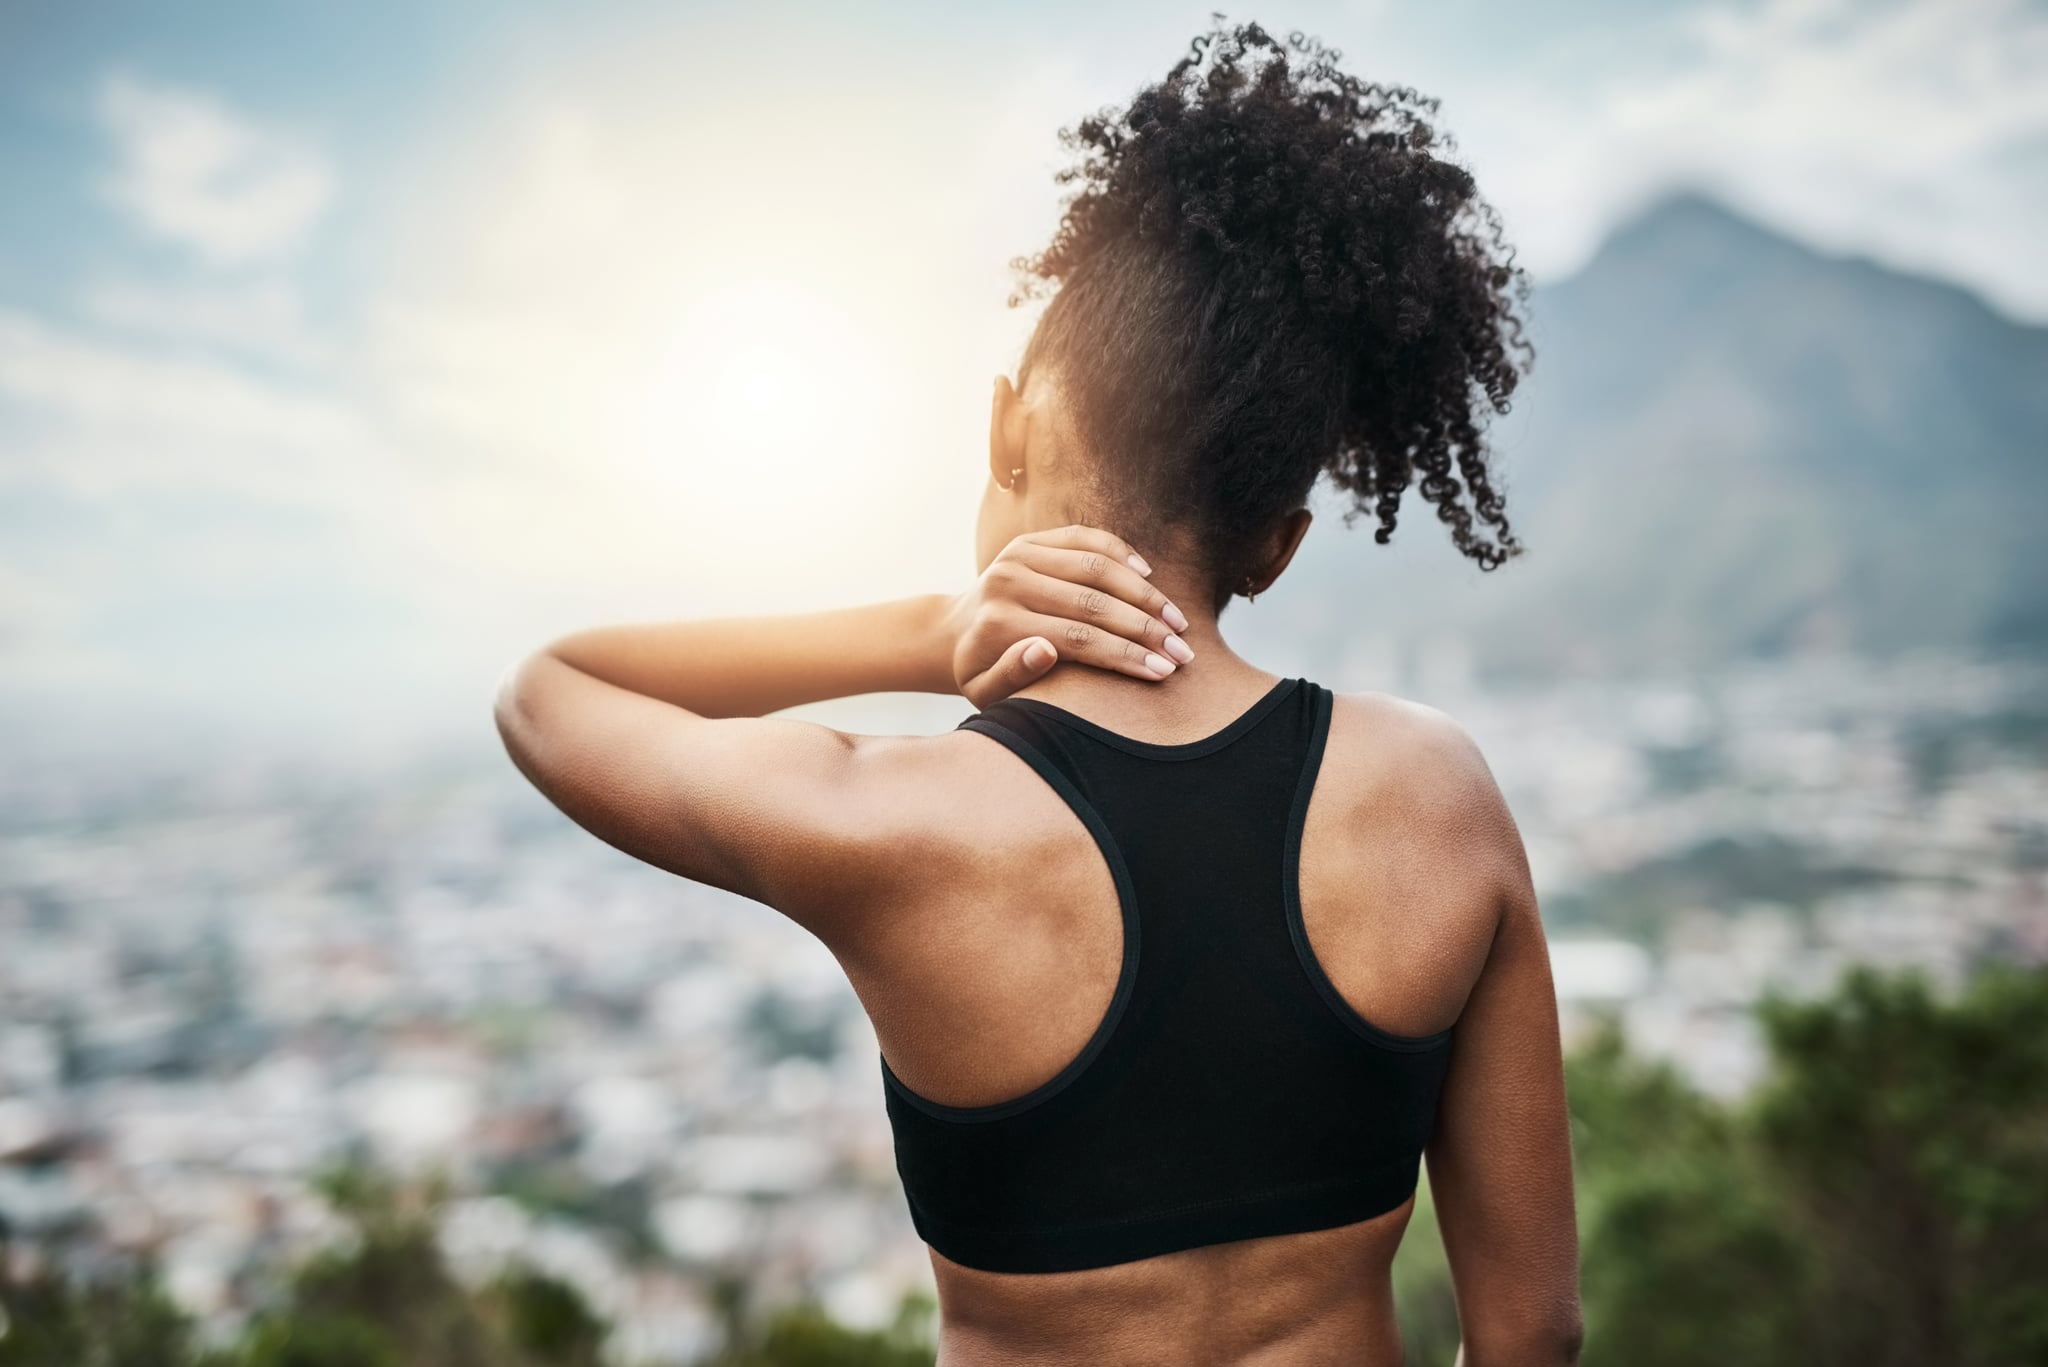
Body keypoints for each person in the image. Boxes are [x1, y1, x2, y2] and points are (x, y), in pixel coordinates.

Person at [496, 19, 1581, 1367]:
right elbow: (1532, 1334)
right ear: (1277, 544)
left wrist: (931, 629)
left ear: (1010, 424)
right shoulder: (1438, 800)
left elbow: (550, 692)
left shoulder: (889, 821)